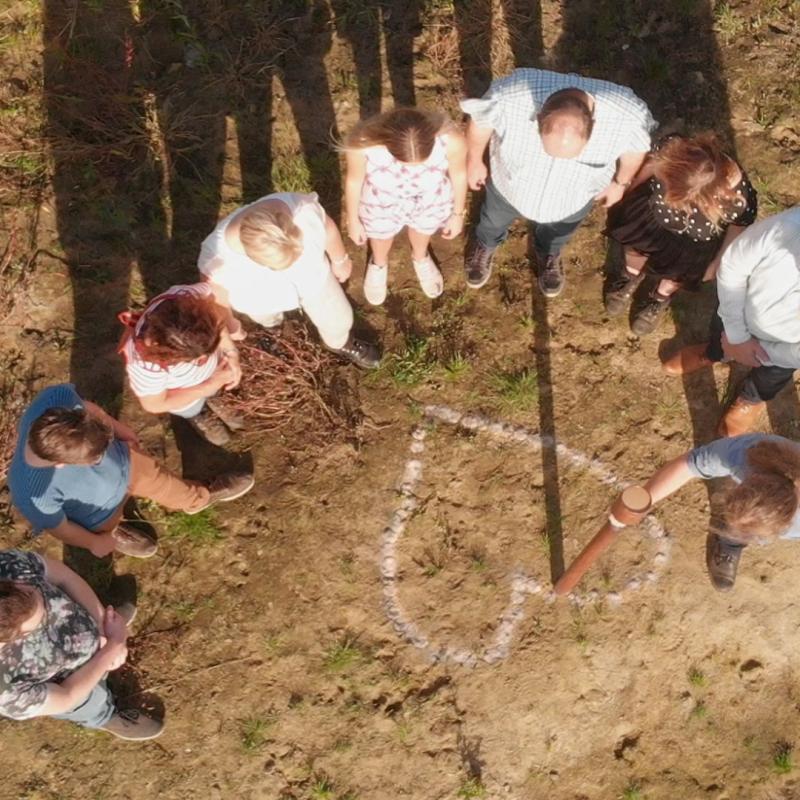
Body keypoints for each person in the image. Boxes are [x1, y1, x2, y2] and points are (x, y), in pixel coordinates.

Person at [460, 68, 655, 295]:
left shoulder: (628, 117)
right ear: (540, 116)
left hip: (571, 201)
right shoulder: (509, 96)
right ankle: (486, 243)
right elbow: (481, 122)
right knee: (492, 219)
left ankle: (549, 251)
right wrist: (474, 160)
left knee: (560, 232)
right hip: (508, 187)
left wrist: (621, 182)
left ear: (593, 124)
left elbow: (636, 148)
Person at [8, 384, 254, 559]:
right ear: (61, 464)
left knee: (166, 484)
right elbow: (61, 529)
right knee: (107, 527)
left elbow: (90, 409)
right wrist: (95, 542)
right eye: (97, 456)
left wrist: (118, 429)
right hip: (99, 513)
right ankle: (115, 533)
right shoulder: (32, 495)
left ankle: (198, 498)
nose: (104, 452)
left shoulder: (53, 399)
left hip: (129, 464)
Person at [198, 191, 380, 369]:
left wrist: (340, 259)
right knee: (266, 315)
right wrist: (230, 324)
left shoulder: (303, 211)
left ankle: (340, 342)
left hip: (313, 280)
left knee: (337, 318)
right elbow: (216, 299)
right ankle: (273, 328)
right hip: (261, 296)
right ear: (252, 256)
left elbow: (328, 229)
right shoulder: (219, 260)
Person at [662, 207, 800, 436]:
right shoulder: (786, 227)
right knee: (719, 333)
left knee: (772, 375)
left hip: (785, 350)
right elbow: (734, 266)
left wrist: (759, 352)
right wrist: (736, 337)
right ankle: (714, 353)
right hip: (735, 315)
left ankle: (751, 398)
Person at [603, 134, 757, 335]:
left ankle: (660, 296)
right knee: (636, 246)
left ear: (704, 199)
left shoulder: (738, 200)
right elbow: (651, 165)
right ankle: (630, 276)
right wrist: (629, 192)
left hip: (692, 243)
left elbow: (738, 227)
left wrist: (718, 261)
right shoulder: (675, 148)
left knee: (678, 273)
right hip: (652, 219)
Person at [0, 548, 162, 739]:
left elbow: (64, 578)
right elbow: (67, 696)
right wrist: (112, 648)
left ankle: (108, 617)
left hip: (95, 633)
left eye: (39, 594)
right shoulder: (7, 693)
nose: (52, 609)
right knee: (89, 704)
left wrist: (103, 625)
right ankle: (104, 715)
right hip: (75, 681)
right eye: (38, 623)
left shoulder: (8, 568)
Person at [636, 434, 800, 592]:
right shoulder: (749, 453)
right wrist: (640, 500)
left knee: (752, 526)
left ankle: (733, 539)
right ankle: (731, 540)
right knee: (747, 524)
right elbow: (688, 465)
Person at [343, 107, 468, 304]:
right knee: (380, 235)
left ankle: (420, 256)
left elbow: (459, 174)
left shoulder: (452, 140)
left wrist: (458, 213)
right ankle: (379, 262)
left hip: (430, 199)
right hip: (381, 200)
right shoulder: (363, 144)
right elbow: (354, 181)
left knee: (422, 229)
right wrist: (353, 219)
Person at [119, 283, 244, 447]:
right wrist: (209, 385)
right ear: (163, 354)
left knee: (214, 392)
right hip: (185, 398)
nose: (203, 360)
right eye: (196, 360)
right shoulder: (145, 366)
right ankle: (200, 414)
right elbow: (154, 404)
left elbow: (215, 314)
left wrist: (230, 352)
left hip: (213, 377)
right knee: (192, 408)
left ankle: (215, 397)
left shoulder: (186, 298)